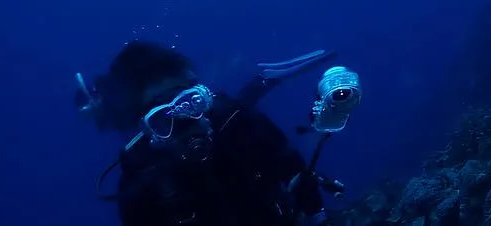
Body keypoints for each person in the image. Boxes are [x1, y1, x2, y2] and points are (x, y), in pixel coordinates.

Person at [76, 40, 331, 226]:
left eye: (192, 103)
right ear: (147, 129)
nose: (188, 124)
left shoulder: (239, 123)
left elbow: (296, 171)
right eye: (165, 119)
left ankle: (261, 81)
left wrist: (316, 216)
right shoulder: (140, 183)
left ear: (204, 96)